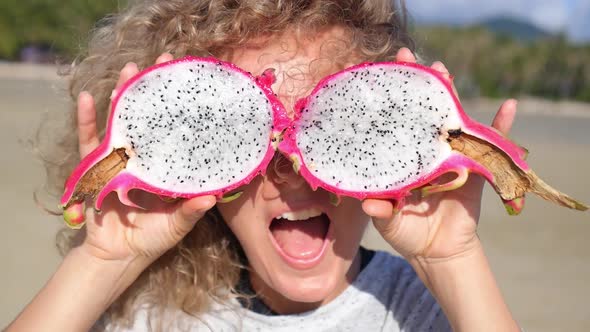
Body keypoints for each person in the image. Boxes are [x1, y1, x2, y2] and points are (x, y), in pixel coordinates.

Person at [8, 0, 521, 331]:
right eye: (241, 135)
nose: (293, 170)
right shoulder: (147, 315)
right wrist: (101, 262)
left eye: (338, 128)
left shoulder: (424, 310)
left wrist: (454, 262)